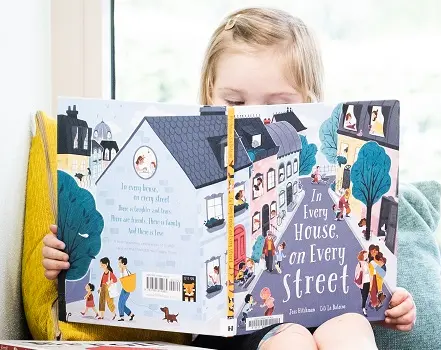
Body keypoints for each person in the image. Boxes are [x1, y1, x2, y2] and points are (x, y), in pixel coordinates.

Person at [39, 7, 415, 350]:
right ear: (209, 95)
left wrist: (392, 305)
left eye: (276, 103)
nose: (255, 115)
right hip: (234, 335)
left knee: (350, 326)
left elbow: (366, 279)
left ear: (312, 101)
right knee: (292, 341)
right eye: (235, 102)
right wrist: (64, 256)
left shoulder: (312, 165)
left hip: (324, 313)